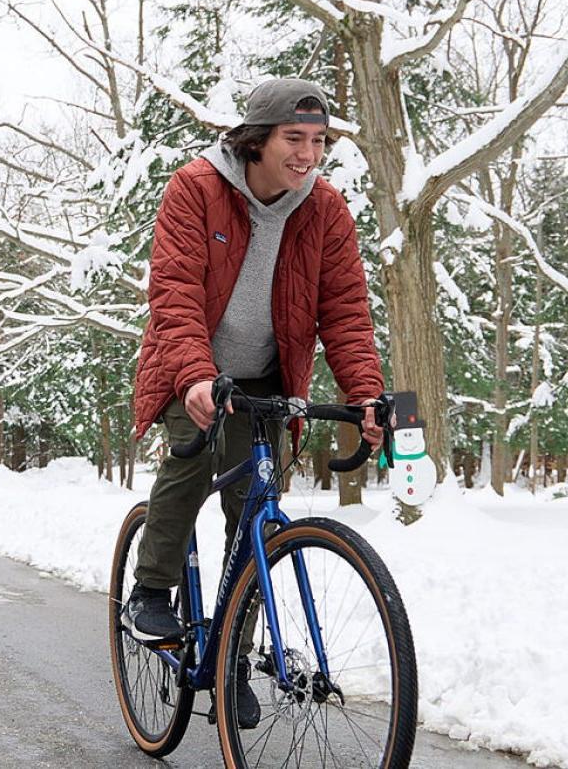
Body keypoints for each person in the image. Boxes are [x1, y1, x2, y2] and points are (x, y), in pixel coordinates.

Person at [123, 80, 386, 727]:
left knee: (255, 517)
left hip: (266, 379)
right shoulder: (196, 188)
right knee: (190, 463)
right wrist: (193, 376)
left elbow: (345, 311)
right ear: (256, 140)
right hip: (196, 366)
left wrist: (367, 395)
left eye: (319, 141)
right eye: (293, 139)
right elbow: (177, 293)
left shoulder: (325, 209)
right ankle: (150, 589)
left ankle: (231, 660)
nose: (308, 153)